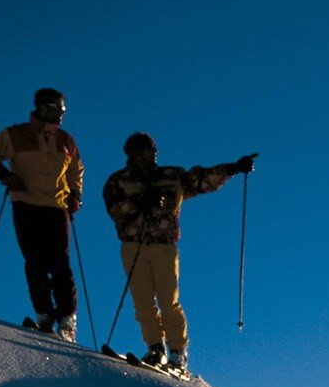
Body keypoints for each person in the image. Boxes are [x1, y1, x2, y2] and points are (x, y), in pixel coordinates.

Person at [102, 133, 255, 372]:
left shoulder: (171, 176)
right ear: (134, 154)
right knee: (143, 302)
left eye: (154, 151)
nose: (153, 155)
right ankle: (155, 348)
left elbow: (203, 180)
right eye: (148, 151)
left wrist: (233, 168)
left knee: (168, 301)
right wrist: (144, 202)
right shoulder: (118, 181)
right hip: (133, 245)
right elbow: (115, 209)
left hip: (164, 246)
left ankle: (177, 352)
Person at [0, 89, 85, 342]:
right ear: (42, 108)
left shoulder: (66, 140)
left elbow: (76, 170)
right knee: (35, 261)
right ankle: (44, 314)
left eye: (63, 111)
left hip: (56, 206)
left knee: (59, 263)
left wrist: (75, 194)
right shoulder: (16, 134)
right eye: (56, 109)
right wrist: (3, 175)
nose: (60, 115)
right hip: (25, 203)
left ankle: (67, 319)